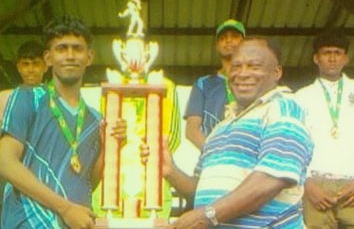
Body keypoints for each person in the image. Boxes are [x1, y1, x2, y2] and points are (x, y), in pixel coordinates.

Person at [146, 37, 313, 228]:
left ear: (276, 72)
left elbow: (270, 179)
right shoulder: (220, 128)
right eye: (236, 67)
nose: (242, 74)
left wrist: (206, 216)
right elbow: (200, 193)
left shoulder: (284, 108)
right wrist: (170, 171)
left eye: (254, 66)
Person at [0, 17, 126, 228]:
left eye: (77, 49)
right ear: (48, 58)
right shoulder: (28, 97)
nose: (70, 55)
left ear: (89, 57)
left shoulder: (96, 120)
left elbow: (87, 182)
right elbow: (5, 163)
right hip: (27, 222)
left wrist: (111, 148)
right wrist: (65, 208)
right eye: (61, 49)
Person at [295, 31, 354, 228]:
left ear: (346, 58)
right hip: (316, 184)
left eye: (338, 52)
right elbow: (295, 146)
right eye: (326, 52)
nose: (332, 57)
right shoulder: (301, 97)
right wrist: (307, 184)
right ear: (316, 58)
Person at [0, 40, 47, 227]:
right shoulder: (4, 96)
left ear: (46, 65)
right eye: (25, 64)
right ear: (18, 67)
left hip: (42, 174)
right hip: (9, 173)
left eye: (36, 64)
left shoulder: (53, 98)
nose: (31, 70)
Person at [184, 19, 245, 150]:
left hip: (248, 160)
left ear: (244, 43)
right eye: (223, 38)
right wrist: (214, 155)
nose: (228, 41)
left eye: (234, 36)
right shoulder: (203, 84)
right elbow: (191, 130)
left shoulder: (254, 80)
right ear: (217, 46)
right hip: (212, 161)